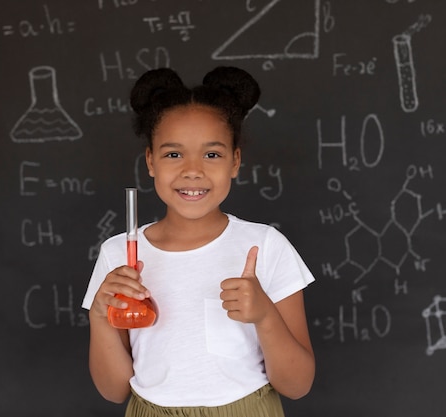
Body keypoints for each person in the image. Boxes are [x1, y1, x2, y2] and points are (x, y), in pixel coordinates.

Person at [82, 66, 316, 417]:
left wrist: (265, 316)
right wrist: (100, 315)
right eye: (173, 154)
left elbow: (298, 385)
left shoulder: (266, 246)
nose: (193, 170)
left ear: (235, 161)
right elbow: (114, 390)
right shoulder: (118, 255)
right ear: (150, 161)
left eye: (212, 154)